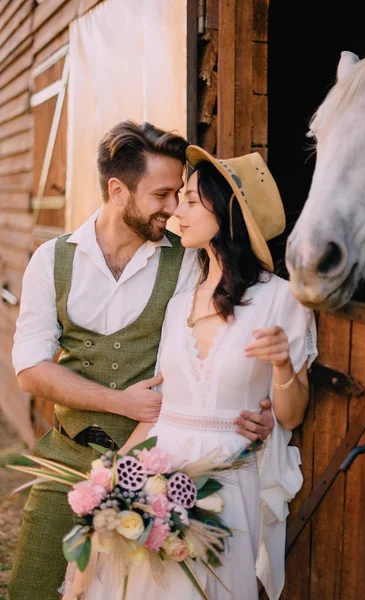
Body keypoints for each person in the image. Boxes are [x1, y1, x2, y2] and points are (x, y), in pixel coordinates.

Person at [9, 121, 275, 600]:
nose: (173, 209)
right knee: (32, 587)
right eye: (162, 194)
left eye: (180, 195)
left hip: (153, 468)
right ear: (117, 189)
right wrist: (120, 402)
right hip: (66, 456)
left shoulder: (188, 261)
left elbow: (231, 336)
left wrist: (263, 404)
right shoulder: (51, 260)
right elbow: (30, 369)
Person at [65, 146, 317, 600]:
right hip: (157, 475)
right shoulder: (180, 302)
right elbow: (163, 408)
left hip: (226, 484)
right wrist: (110, 474)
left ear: (228, 215)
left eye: (191, 201)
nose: (176, 211)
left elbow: (292, 415)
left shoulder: (282, 300)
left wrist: (281, 363)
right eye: (179, 197)